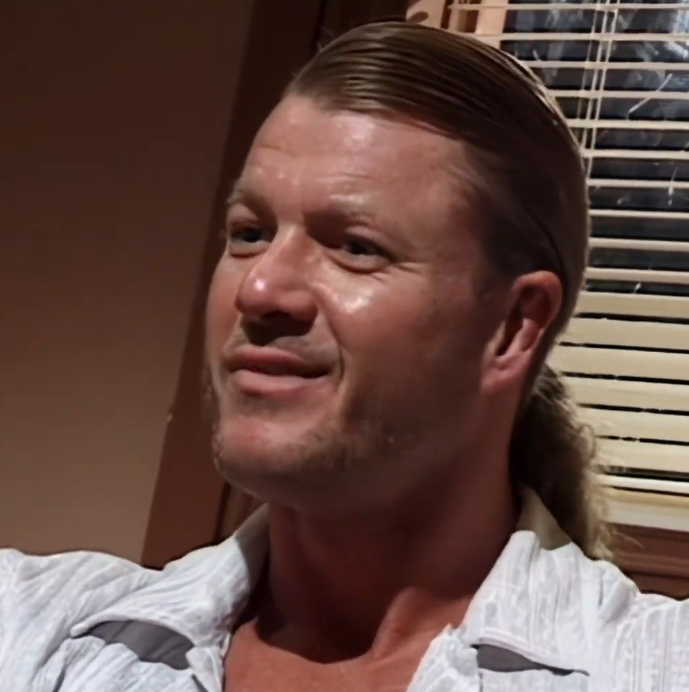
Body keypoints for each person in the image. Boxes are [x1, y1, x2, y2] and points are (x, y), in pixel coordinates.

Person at [1, 20, 686, 692]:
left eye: (356, 247)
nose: (260, 288)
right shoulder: (37, 631)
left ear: (511, 326)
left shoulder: (650, 668)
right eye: (249, 233)